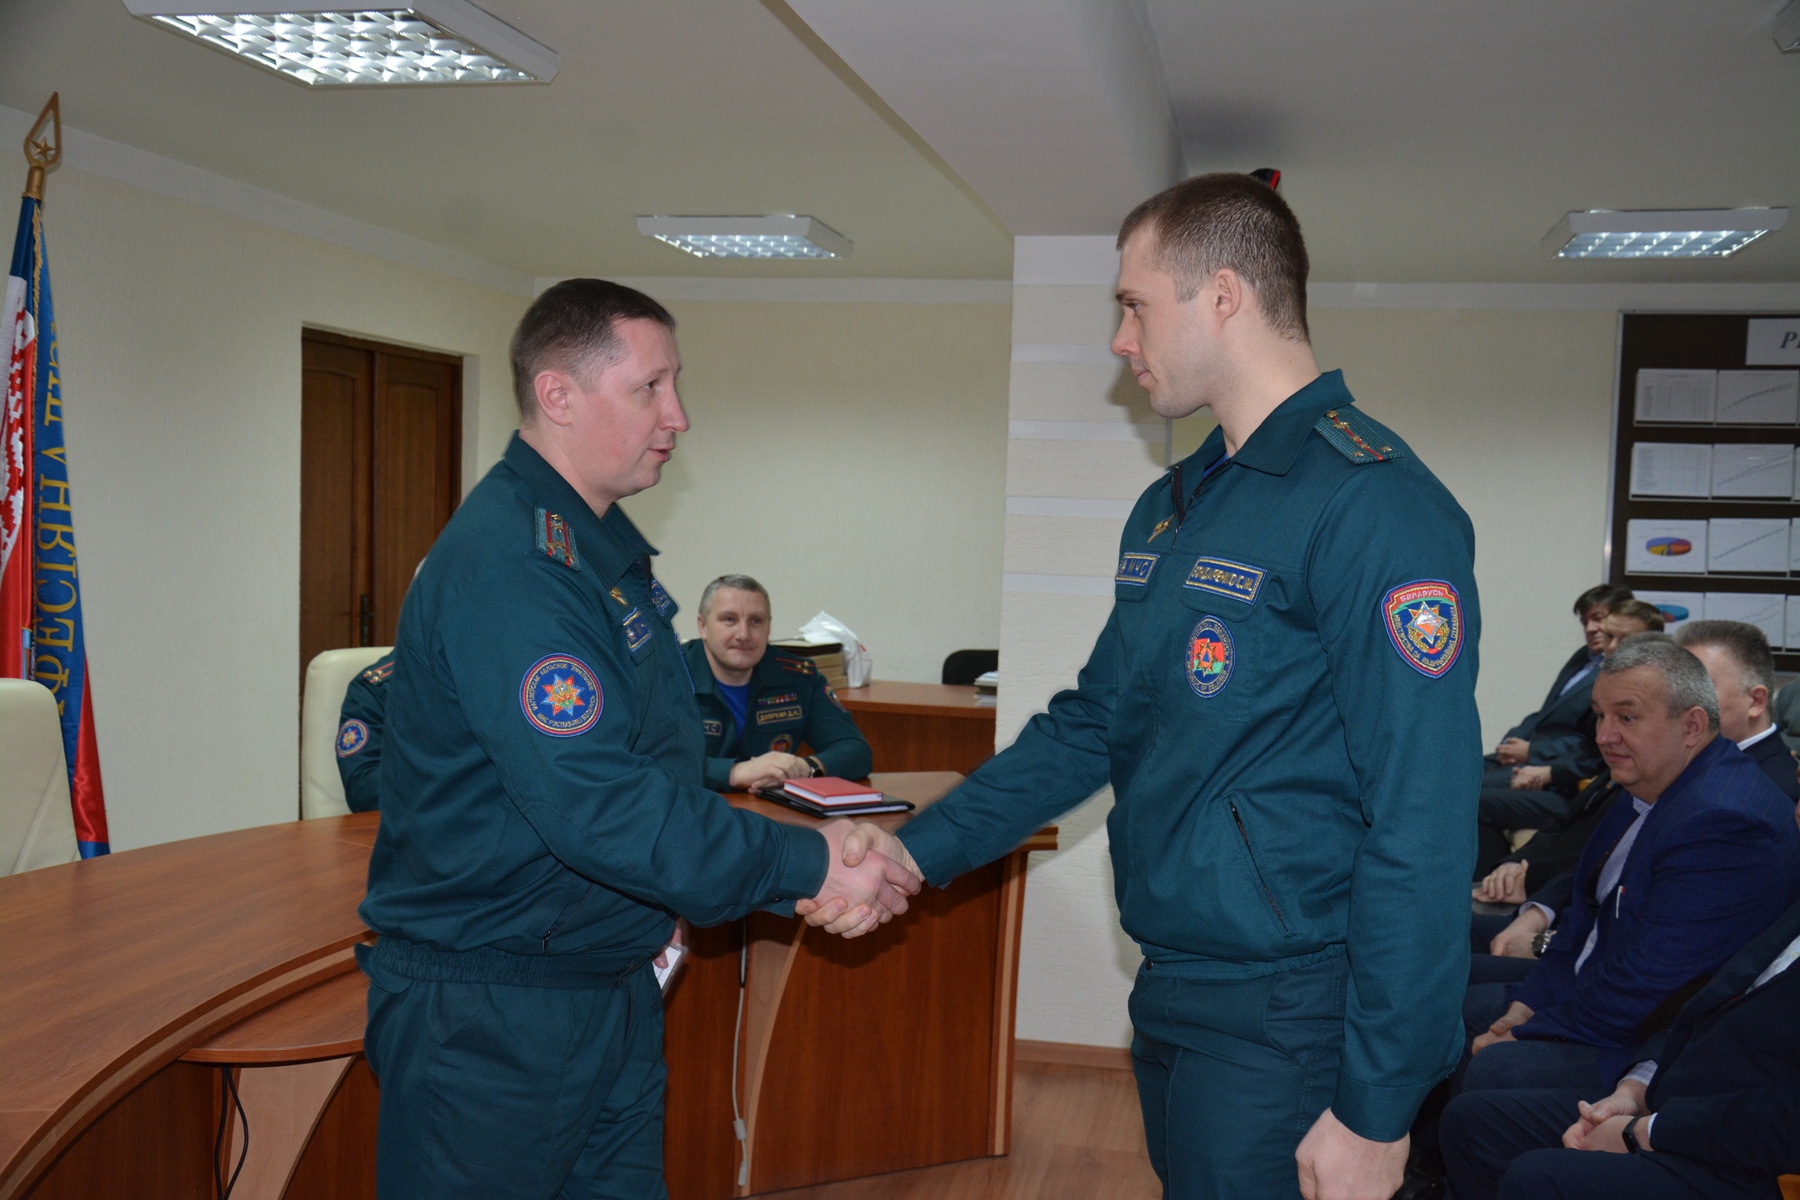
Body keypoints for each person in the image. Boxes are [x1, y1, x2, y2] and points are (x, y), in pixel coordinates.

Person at [826, 173, 1482, 1200]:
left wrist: (1378, 1101)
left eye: (1133, 304)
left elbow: (1425, 819)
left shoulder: (1373, 505)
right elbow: (1095, 725)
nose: (1120, 341)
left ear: (1222, 295)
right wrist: (915, 852)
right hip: (1178, 986)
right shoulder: (1173, 511)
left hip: (1291, 1009)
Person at [356, 279, 920, 1200]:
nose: (679, 416)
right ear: (559, 395)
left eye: (675, 386)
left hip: (600, 990)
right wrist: (808, 865)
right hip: (494, 1015)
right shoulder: (514, 567)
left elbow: (654, 765)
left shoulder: (599, 555)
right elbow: (599, 803)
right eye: (650, 388)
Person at [1461, 635, 1800, 1097]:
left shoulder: (1725, 818)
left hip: (1643, 1042)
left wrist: (1528, 1030)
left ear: (1693, 725)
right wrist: (1528, 1005)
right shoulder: (1651, 778)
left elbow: (1650, 985)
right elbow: (1585, 913)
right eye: (1600, 716)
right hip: (1591, 991)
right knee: (1450, 1006)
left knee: (1486, 1066)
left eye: (1626, 717)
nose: (1603, 736)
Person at [1441, 886, 1800, 1199]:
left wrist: (1640, 1132)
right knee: (1473, 1122)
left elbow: (1783, 1125)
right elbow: (1703, 1005)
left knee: (1539, 1176)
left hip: (1749, 1159)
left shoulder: (1727, 819)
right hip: (1684, 1100)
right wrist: (1632, 1092)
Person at [1475, 620, 1800, 965]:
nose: (1680, 697)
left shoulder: (1761, 793)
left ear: (1756, 701)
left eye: (1700, 684)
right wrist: (1539, 911)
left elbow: (1666, 950)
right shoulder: (1671, 759)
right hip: (1573, 936)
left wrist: (1543, 944)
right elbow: (1601, 849)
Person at [1476, 587, 1638, 866]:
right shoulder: (1583, 659)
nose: (1591, 628)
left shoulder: (1618, 676)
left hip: (1561, 778)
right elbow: (1546, 712)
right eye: (1585, 621)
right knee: (1455, 776)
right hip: (1535, 756)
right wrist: (1513, 739)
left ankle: (1485, 881)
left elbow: (1590, 745)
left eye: (1598, 618)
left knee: (1469, 794)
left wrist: (1532, 753)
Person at [682, 575, 873, 791]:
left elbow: (856, 750)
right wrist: (735, 773)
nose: (743, 634)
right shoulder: (667, 677)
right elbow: (653, 761)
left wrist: (804, 768)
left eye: (756, 621)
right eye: (729, 620)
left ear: (769, 627)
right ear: (703, 626)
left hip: (769, 813)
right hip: (690, 812)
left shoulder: (798, 677)